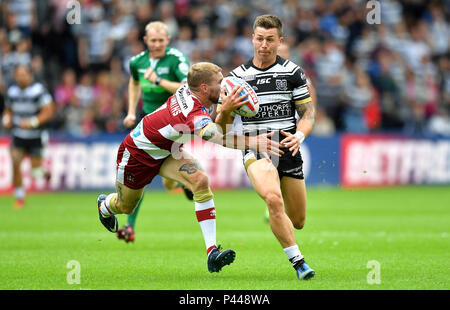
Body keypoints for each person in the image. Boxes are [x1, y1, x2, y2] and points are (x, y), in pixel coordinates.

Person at [96, 62, 282, 273]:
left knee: (200, 181)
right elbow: (217, 137)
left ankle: (212, 252)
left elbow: (218, 128)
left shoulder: (198, 92)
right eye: (219, 82)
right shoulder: (192, 111)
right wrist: (252, 141)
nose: (224, 85)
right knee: (125, 206)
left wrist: (225, 111)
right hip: (138, 154)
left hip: (168, 150)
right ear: (204, 87)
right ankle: (105, 205)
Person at [220, 15, 316, 280]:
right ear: (252, 38)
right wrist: (226, 109)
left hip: (288, 147)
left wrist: (300, 135)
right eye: (259, 38)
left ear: (280, 41)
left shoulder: (293, 72)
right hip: (257, 146)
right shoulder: (236, 78)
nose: (264, 45)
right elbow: (222, 130)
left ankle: (279, 220)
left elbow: (308, 114)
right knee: (273, 199)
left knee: (297, 221)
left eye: (270, 39)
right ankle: (299, 263)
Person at [118, 21, 191, 243]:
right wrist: (131, 111)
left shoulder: (176, 59)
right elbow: (134, 83)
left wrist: (159, 80)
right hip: (148, 124)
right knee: (141, 175)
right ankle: (130, 227)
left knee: (168, 183)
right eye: (153, 40)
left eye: (161, 40)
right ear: (145, 40)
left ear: (168, 41)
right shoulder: (136, 62)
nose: (157, 44)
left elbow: (187, 88)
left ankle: (181, 183)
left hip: (173, 125)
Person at [1, 65, 54, 209]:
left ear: (30, 75)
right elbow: (8, 110)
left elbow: (49, 111)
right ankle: (19, 198)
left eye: (23, 74)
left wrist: (33, 122)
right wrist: (6, 118)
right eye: (18, 75)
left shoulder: (38, 91)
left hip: (35, 135)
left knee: (36, 173)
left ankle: (44, 173)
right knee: (15, 163)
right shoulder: (12, 92)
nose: (21, 77)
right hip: (18, 135)